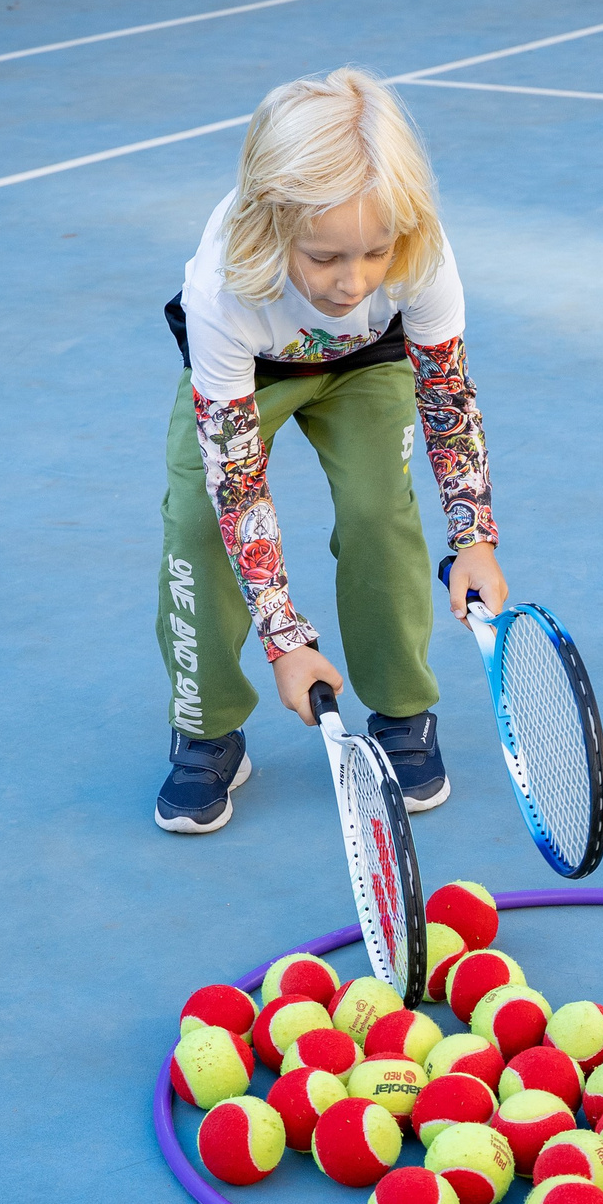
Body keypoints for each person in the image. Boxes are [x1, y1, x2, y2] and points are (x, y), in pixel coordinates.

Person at [152, 69, 504, 835]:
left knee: (380, 509)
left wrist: (474, 537)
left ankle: (402, 711)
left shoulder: (419, 249)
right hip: (253, 367)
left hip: (369, 361)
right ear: (272, 225)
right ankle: (208, 729)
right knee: (200, 523)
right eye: (323, 258)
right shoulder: (224, 289)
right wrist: (284, 638)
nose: (353, 282)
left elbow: (446, 396)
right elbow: (238, 485)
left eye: (375, 253)